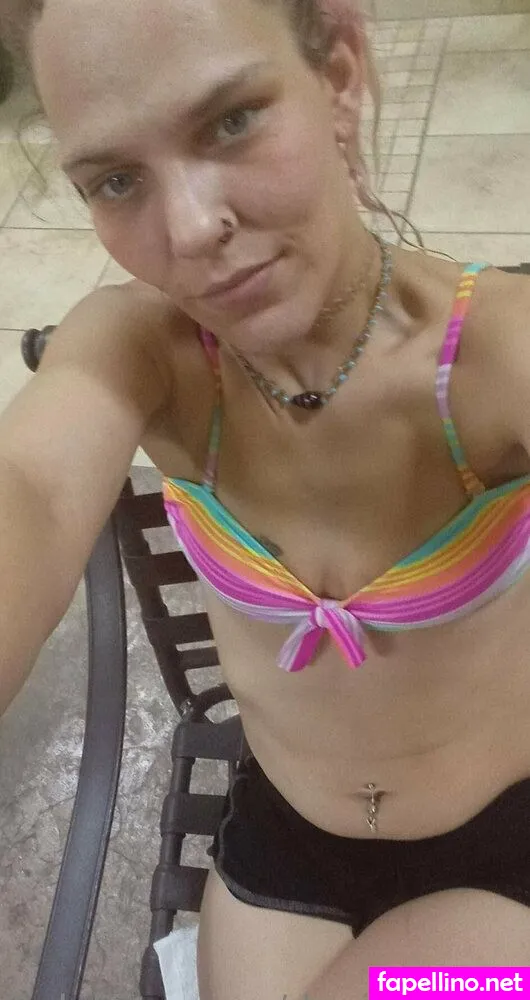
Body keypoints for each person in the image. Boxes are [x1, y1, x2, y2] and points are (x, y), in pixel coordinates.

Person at [1, 0, 530, 996]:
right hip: (286, 840)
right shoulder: (138, 352)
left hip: (502, 858)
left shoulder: (492, 353)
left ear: (338, 78)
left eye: (231, 121)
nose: (191, 228)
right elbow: (27, 484)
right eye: (117, 180)